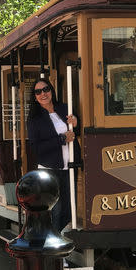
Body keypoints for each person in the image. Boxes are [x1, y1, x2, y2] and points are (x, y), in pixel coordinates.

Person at [27, 78, 80, 232]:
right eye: (38, 92)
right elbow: (36, 148)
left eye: (46, 89)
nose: (43, 94)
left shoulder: (64, 108)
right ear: (35, 97)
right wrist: (61, 139)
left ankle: (56, 240)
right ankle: (53, 247)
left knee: (70, 209)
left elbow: (78, 127)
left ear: (51, 91)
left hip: (69, 167)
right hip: (49, 169)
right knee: (56, 209)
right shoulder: (34, 119)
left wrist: (76, 121)